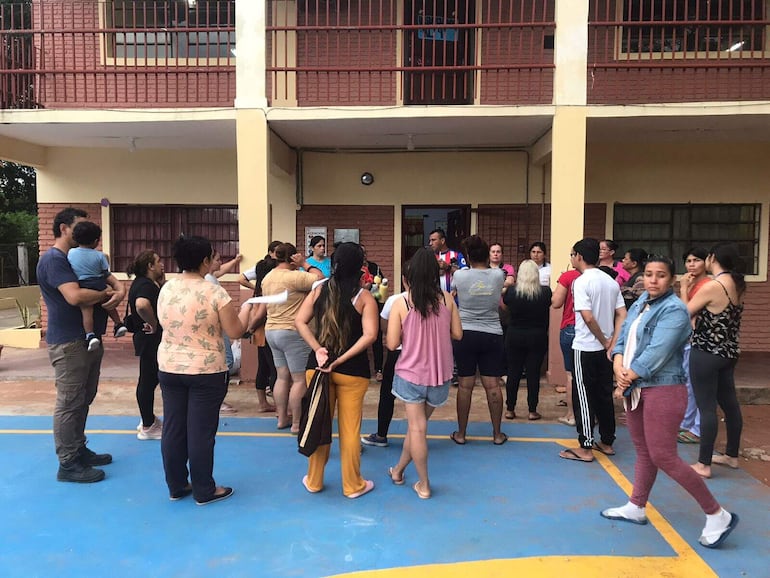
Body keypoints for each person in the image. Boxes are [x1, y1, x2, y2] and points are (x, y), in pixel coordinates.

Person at [602, 255, 739, 549]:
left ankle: (717, 514)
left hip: (662, 389)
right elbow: (624, 338)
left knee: (663, 455)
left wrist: (627, 377)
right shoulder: (641, 303)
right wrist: (618, 366)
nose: (653, 280)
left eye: (661, 275)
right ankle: (637, 506)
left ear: (672, 280)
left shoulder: (675, 310)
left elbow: (657, 352)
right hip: (636, 385)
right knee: (642, 450)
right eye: (649, 274)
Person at [157, 235, 250, 505]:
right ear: (205, 260)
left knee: (173, 428)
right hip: (206, 369)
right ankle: (204, 489)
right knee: (200, 431)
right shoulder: (214, 291)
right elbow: (234, 330)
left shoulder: (167, 288)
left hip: (170, 365)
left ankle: (176, 485)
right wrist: (246, 310)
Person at [37, 207, 125, 483]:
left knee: (84, 397)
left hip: (86, 340)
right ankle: (68, 462)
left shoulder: (75, 259)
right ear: (64, 228)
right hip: (70, 342)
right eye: (78, 227)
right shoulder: (55, 260)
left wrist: (116, 291)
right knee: (70, 401)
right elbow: (74, 296)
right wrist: (108, 293)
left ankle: (78, 449)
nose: (83, 233)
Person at [295, 243, 379, 498]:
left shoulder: (319, 290)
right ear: (360, 267)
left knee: (320, 423)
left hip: (318, 368)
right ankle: (353, 485)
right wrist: (340, 359)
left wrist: (319, 349)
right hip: (353, 372)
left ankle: (314, 480)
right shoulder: (364, 298)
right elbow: (370, 336)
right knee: (350, 430)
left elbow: (299, 321)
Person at [386, 248, 463, 499]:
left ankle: (424, 484)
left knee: (417, 429)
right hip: (440, 374)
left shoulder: (402, 302)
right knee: (417, 428)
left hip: (410, 372)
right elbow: (458, 334)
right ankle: (398, 470)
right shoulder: (447, 300)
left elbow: (391, 343)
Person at [681, 243, 745, 480]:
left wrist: (684, 288)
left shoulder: (713, 286)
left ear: (712, 258)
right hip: (728, 352)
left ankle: (703, 464)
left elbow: (684, 312)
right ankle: (731, 456)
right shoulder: (738, 284)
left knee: (706, 406)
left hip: (706, 352)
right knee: (729, 404)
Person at [559, 238, 626, 463]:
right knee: (603, 394)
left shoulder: (581, 282)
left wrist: (603, 339)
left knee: (583, 396)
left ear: (578, 256)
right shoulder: (610, 282)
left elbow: (587, 317)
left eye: (572, 254)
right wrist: (612, 342)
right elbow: (622, 314)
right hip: (605, 351)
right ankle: (607, 441)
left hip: (586, 347)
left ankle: (585, 445)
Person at [451, 235, 508, 445]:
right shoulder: (498, 275)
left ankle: (461, 434)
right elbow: (505, 278)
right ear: (487, 255)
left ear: (468, 256)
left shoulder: (459, 276)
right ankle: (497, 434)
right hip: (492, 333)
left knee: (465, 385)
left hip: (465, 333)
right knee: (492, 385)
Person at [262, 242, 324, 433]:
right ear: (292, 258)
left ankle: (282, 418)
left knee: (282, 376)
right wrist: (305, 263)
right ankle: (297, 423)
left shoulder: (268, 277)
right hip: (292, 331)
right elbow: (321, 279)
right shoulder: (294, 277)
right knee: (298, 380)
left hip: (271, 329)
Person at [361, 265, 410, 447]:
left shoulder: (396, 300)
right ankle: (416, 434)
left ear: (404, 279)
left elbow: (384, 329)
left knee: (388, 393)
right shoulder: (438, 300)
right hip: (424, 354)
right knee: (418, 397)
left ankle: (382, 434)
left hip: (398, 352)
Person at [67, 221, 128, 351]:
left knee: (87, 311)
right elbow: (105, 272)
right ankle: (118, 324)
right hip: (99, 283)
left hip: (83, 285)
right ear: (96, 241)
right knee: (109, 304)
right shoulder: (100, 256)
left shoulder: (71, 253)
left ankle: (90, 335)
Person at [503, 260, 551, 421]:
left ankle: (510, 408)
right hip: (537, 336)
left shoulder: (511, 292)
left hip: (515, 335)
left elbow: (505, 306)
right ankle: (532, 410)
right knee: (533, 374)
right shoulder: (545, 292)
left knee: (513, 372)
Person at [127, 250, 165, 440]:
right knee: (148, 381)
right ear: (150, 266)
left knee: (150, 380)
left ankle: (148, 419)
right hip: (150, 338)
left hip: (147, 338)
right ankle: (148, 425)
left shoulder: (146, 283)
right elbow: (142, 305)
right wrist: (154, 323)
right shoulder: (145, 286)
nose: (162, 265)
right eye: (159, 261)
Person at [677, 247, 710, 445]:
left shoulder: (706, 285)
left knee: (693, 385)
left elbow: (685, 313)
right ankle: (688, 424)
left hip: (698, 339)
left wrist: (682, 290)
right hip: (690, 339)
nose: (691, 264)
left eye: (696, 260)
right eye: (688, 261)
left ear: (706, 262)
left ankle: (694, 428)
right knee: (688, 383)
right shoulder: (694, 284)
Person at [205, 250, 243, 415]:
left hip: (221, 328)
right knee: (226, 362)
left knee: (226, 361)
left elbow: (221, 271)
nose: (220, 263)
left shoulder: (211, 276)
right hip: (219, 328)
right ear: (208, 261)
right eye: (217, 259)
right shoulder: (208, 281)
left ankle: (216, 399)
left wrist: (235, 261)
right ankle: (217, 400)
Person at [552, 261, 581, 426]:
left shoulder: (568, 276)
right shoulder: (602, 277)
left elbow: (556, 303)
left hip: (571, 327)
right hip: (595, 332)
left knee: (571, 375)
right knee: (589, 374)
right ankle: (590, 413)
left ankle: (572, 415)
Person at [360, 243, 385, 382]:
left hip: (374, 304)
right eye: (360, 252)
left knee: (376, 338)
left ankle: (379, 369)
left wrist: (373, 287)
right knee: (360, 337)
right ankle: (363, 369)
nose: (363, 255)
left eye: (365, 252)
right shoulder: (353, 268)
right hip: (359, 306)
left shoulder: (374, 267)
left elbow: (381, 286)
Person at [428, 228, 467, 293]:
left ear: (442, 240)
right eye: (430, 241)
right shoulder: (430, 257)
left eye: (433, 240)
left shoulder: (456, 255)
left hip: (453, 298)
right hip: (436, 298)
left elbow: (465, 276)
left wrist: (448, 267)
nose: (430, 243)